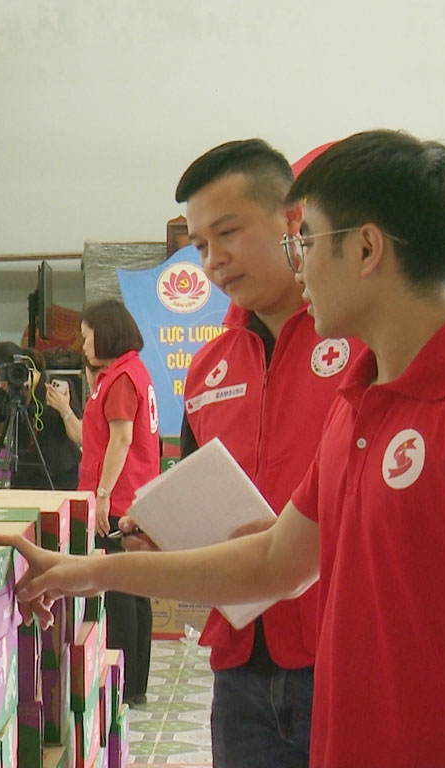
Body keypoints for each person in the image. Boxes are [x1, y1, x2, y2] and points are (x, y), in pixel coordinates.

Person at [0, 130, 445, 768]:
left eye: (309, 240)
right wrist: (86, 572)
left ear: (367, 249)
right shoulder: (357, 406)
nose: (300, 261)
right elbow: (273, 561)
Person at [122, 138, 361, 767]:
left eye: (228, 233)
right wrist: (165, 539)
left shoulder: (363, 345)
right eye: (201, 245)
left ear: (293, 221)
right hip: (240, 667)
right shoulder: (208, 367)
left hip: (347, 655)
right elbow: (194, 490)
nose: (214, 260)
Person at [79, 299, 161, 706]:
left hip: (121, 498)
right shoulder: (125, 371)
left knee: (121, 592)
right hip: (134, 495)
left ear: (106, 333)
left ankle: (125, 686)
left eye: (87, 336)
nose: (83, 345)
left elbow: (122, 438)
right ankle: (135, 684)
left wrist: (102, 496)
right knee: (135, 590)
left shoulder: (123, 378)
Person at [0, 342, 81, 490]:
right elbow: (0, 437)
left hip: (58, 477)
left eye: (0, 378)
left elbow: (79, 436)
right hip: (24, 476)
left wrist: (64, 408)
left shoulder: (55, 387)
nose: (0, 385)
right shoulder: (8, 394)